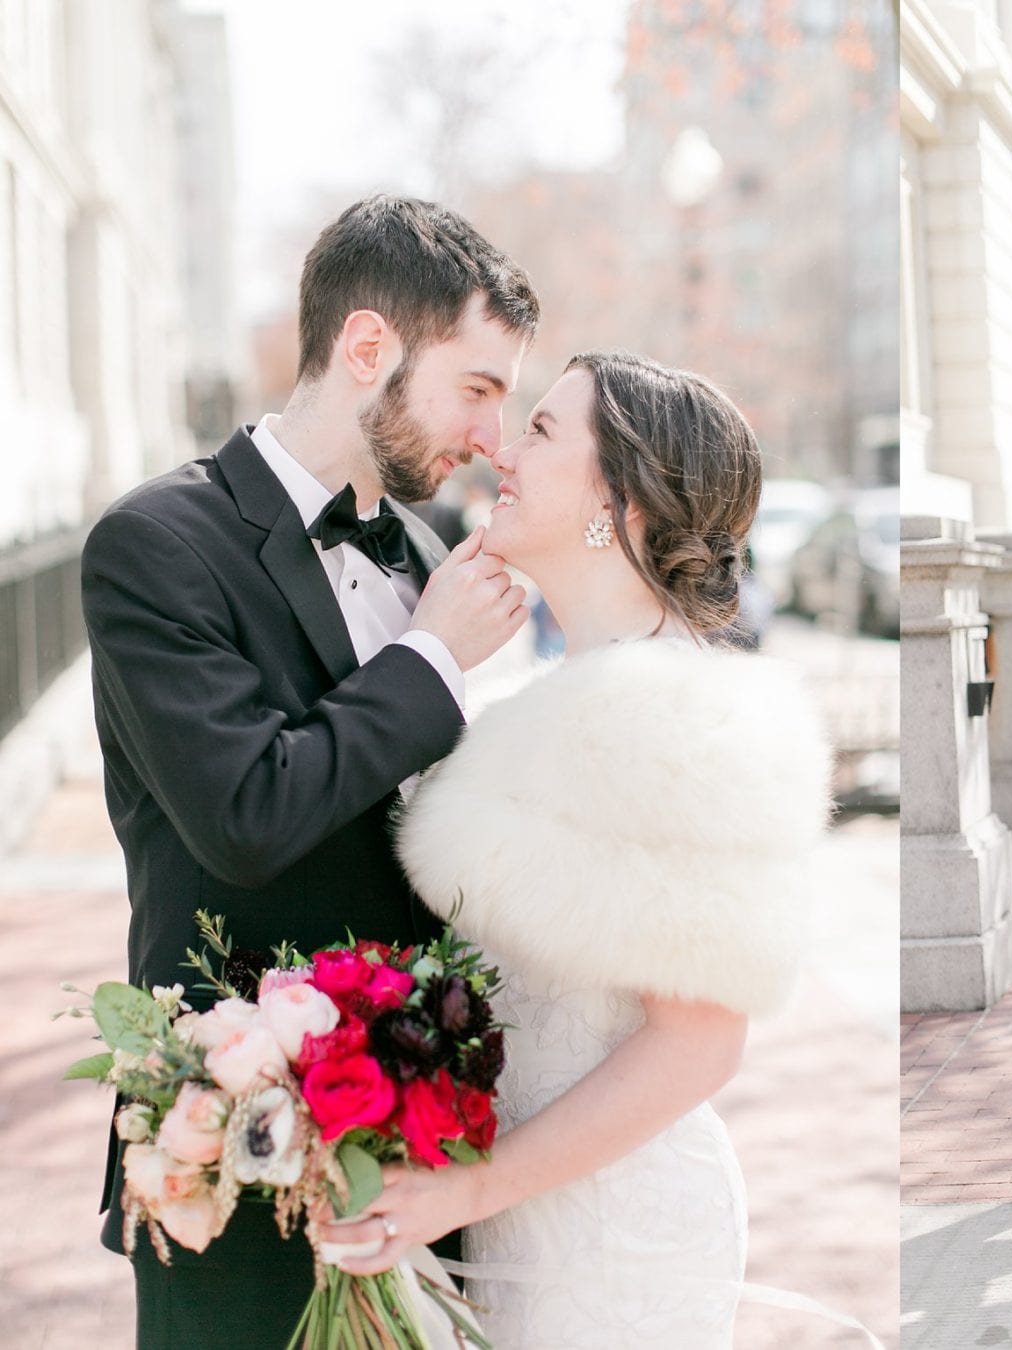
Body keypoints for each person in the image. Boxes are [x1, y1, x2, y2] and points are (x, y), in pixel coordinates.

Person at [80, 195, 540, 1346]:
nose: (493, 434)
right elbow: (245, 812)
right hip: (236, 1166)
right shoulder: (155, 546)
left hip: (429, 1153)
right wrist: (432, 658)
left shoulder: (428, 551)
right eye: (477, 388)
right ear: (369, 348)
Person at [320, 351, 831, 1348]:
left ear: (621, 499)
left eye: (545, 432)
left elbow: (699, 1042)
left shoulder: (682, 714)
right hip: (515, 1222)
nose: (504, 452)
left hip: (618, 1234)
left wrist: (467, 1189)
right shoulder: (540, 700)